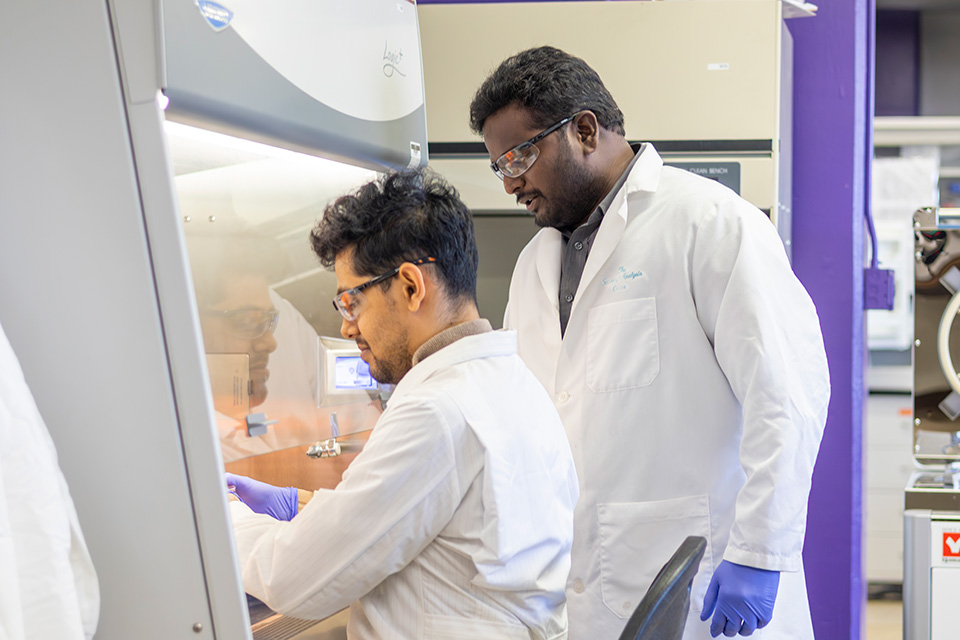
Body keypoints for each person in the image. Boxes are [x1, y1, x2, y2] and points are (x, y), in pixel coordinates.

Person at [469, 46, 830, 639]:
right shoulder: (535, 262)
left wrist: (761, 553)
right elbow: (526, 417)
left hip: (704, 585)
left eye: (520, 156)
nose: (511, 182)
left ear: (584, 130)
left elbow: (788, 393)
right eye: (499, 165)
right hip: (577, 591)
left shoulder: (709, 223)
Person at [225, 169, 579, 639]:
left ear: (411, 286)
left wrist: (226, 520)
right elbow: (449, 530)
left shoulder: (436, 411)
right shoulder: (513, 382)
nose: (348, 328)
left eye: (351, 303)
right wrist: (305, 507)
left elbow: (293, 580)